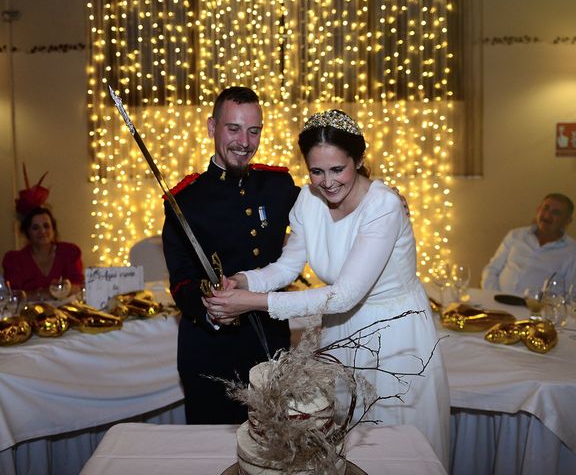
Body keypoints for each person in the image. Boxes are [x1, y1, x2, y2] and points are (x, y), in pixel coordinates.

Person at [202, 109, 450, 466]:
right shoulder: (308, 200)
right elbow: (288, 266)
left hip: (394, 334)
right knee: (336, 447)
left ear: (360, 159)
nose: (327, 182)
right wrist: (244, 280)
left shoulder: (384, 206)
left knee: (390, 447)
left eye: (338, 169)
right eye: (316, 171)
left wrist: (250, 302)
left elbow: (345, 294)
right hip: (339, 330)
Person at [162, 86, 299, 424]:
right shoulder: (185, 200)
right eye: (233, 129)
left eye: (254, 131)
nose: (244, 141)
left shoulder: (278, 186)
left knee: (274, 451)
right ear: (212, 128)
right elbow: (180, 282)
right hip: (211, 352)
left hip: (270, 345)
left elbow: (329, 206)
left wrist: (374, 195)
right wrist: (209, 308)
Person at [481, 193, 576, 295]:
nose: (547, 215)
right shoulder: (515, 235)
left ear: (567, 221)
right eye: (545, 208)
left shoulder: (571, 251)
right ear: (538, 210)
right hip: (497, 301)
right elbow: (492, 269)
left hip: (537, 309)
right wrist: (492, 296)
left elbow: (571, 293)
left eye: (556, 213)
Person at [2, 207, 85, 296]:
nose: (42, 231)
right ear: (27, 232)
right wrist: (51, 292)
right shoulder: (14, 260)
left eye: (46, 226)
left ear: (53, 229)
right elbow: (14, 295)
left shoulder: (70, 252)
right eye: (35, 228)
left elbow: (78, 287)